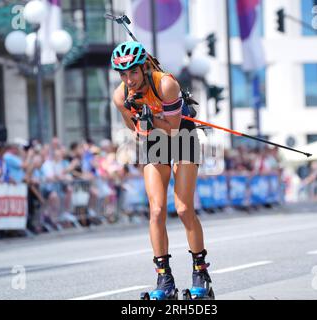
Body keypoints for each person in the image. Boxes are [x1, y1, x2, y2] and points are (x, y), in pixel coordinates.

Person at [111, 41, 213, 300]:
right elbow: (137, 133)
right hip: (155, 141)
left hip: (182, 138)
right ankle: (164, 279)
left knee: (182, 209)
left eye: (133, 72)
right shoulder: (120, 96)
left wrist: (150, 115)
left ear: (144, 68)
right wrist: (140, 121)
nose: (129, 80)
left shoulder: (166, 84)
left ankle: (200, 273)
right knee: (156, 210)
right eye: (123, 75)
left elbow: (175, 128)